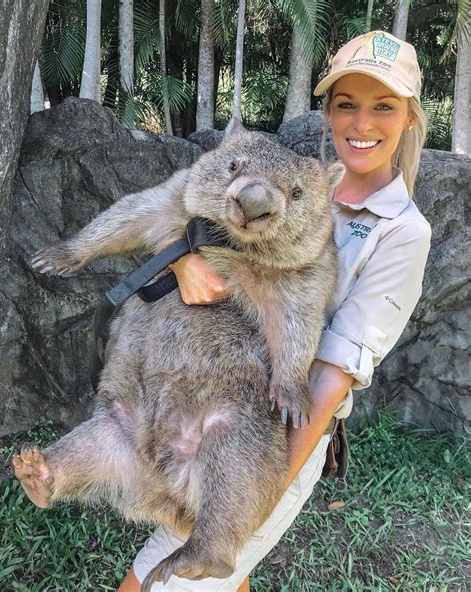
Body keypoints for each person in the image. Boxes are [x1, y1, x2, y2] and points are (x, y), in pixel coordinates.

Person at [118, 30, 431, 592]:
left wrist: (265, 487)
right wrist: (183, 263)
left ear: (409, 117)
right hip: (201, 402)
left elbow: (334, 373)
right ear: (329, 113)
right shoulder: (297, 178)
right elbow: (195, 233)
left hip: (272, 431)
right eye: (347, 105)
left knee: (155, 583)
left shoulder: (402, 232)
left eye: (383, 107)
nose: (362, 124)